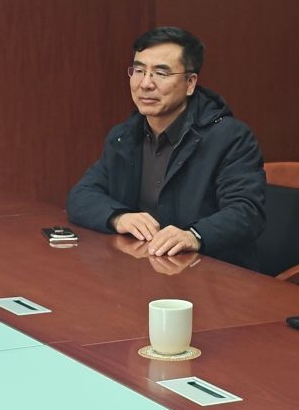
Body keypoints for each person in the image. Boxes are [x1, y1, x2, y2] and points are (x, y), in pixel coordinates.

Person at [67, 27, 266, 267]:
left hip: (209, 273)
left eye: (161, 73)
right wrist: (119, 217)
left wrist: (194, 235)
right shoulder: (124, 136)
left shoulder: (230, 137)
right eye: (139, 70)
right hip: (142, 269)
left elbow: (246, 212)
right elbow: (81, 196)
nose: (145, 84)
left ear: (190, 83)